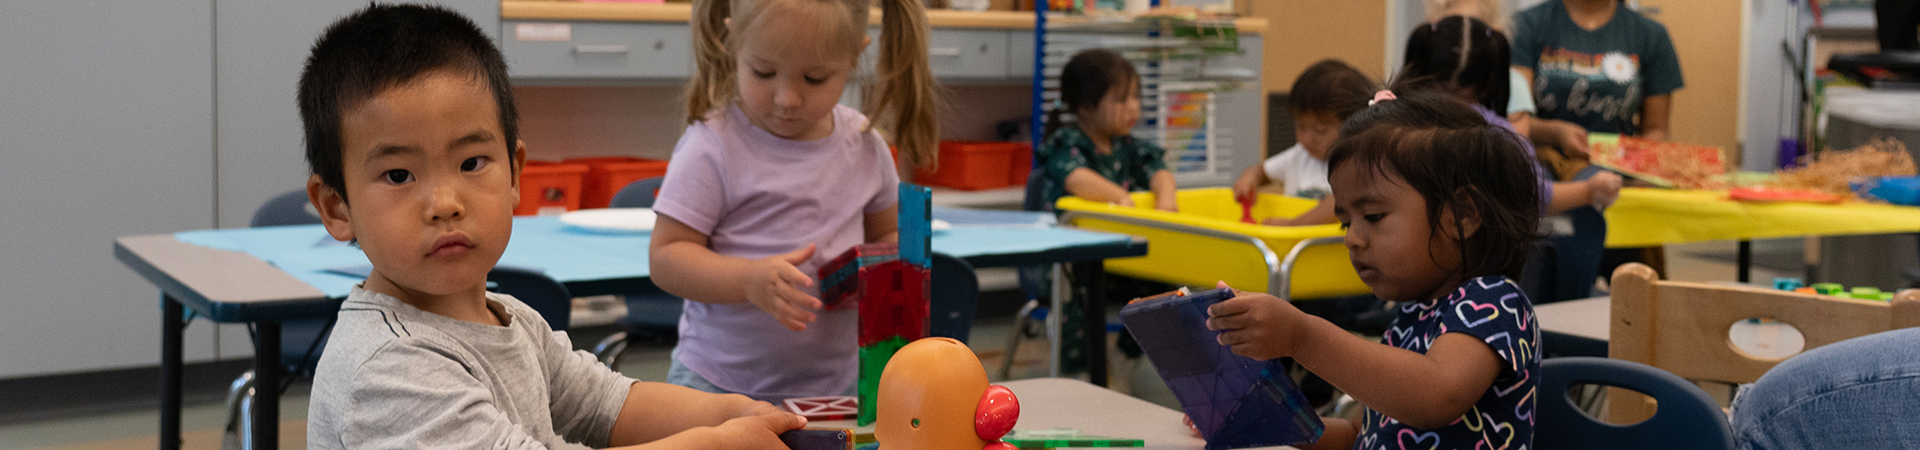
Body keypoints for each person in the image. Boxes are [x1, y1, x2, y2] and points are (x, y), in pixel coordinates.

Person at [301, 5, 803, 449]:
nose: (445, 203)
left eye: (472, 163)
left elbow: (608, 405)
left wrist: (729, 412)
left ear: (516, 172)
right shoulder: (387, 368)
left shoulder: (512, 320)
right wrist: (714, 445)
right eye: (398, 175)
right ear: (336, 207)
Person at [1204, 91, 1542, 450]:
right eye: (1345, 222)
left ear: (1464, 215)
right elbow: (1357, 437)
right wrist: (1269, 423)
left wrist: (1301, 336)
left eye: (1374, 217)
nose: (1352, 239)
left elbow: (1437, 395)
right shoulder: (1410, 317)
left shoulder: (1495, 302)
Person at [649, 0, 937, 401]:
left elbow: (889, 233)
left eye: (815, 78)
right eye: (763, 72)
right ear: (734, 43)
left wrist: (875, 270)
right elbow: (666, 257)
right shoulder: (712, 145)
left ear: (855, 56)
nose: (787, 98)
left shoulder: (864, 144)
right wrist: (748, 281)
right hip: (719, 390)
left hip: (837, 391)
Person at [1399, 16, 1622, 215]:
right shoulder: (1496, 136)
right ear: (1491, 82)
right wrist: (1590, 190)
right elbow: (1532, 197)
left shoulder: (1391, 123)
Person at [1511, 0, 1684, 152]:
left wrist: (1631, 163)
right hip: (1539, 162)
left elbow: (1656, 130)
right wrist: (1555, 133)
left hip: (1617, 168)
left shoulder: (1651, 35)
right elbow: (1513, 118)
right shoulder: (1525, 25)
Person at [1230, 59, 1375, 226]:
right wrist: (1249, 179)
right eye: (1301, 126)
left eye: (1320, 130)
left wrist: (1292, 226)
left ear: (1353, 126)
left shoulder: (1355, 165)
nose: (1307, 138)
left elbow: (1338, 204)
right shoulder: (1299, 156)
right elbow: (1261, 171)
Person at [1036, 49, 1178, 212]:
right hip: (1069, 233)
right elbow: (1076, 178)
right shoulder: (1067, 143)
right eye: (1121, 100)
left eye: (1135, 96)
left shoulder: (1127, 146)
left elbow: (1159, 171)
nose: (1133, 107)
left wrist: (1166, 200)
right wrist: (1119, 197)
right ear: (1086, 107)